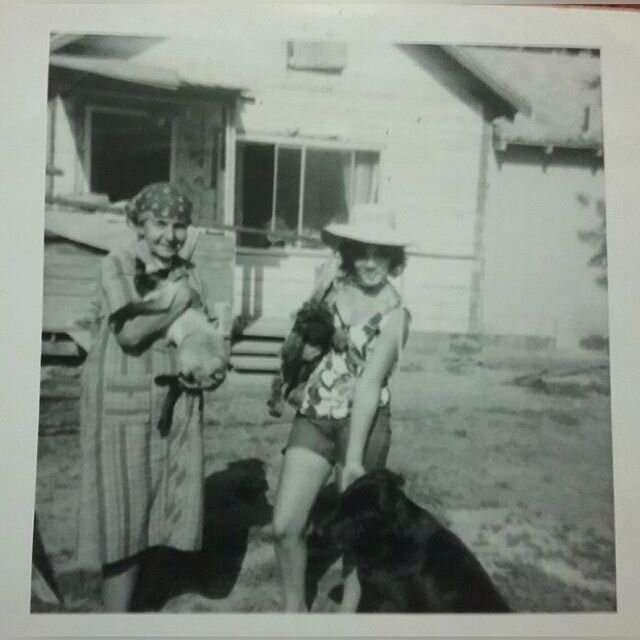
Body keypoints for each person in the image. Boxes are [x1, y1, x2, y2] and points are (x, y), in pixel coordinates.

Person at [75, 183, 227, 612]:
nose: (170, 235)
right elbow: (130, 332)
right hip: (121, 409)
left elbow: (207, 332)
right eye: (160, 223)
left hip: (174, 408)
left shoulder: (192, 272)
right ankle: (116, 620)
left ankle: (142, 606)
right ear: (139, 224)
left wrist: (211, 367)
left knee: (161, 512)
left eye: (179, 225)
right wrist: (180, 301)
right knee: (123, 518)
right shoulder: (118, 264)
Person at [271, 203, 411, 612]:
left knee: (358, 532)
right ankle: (294, 613)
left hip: (365, 425)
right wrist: (316, 289)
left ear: (393, 258)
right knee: (284, 526)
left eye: (380, 253)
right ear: (348, 252)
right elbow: (298, 341)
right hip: (315, 413)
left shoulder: (397, 315)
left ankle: (348, 618)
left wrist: (352, 460)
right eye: (361, 252)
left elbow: (368, 384)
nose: (369, 263)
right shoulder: (331, 288)